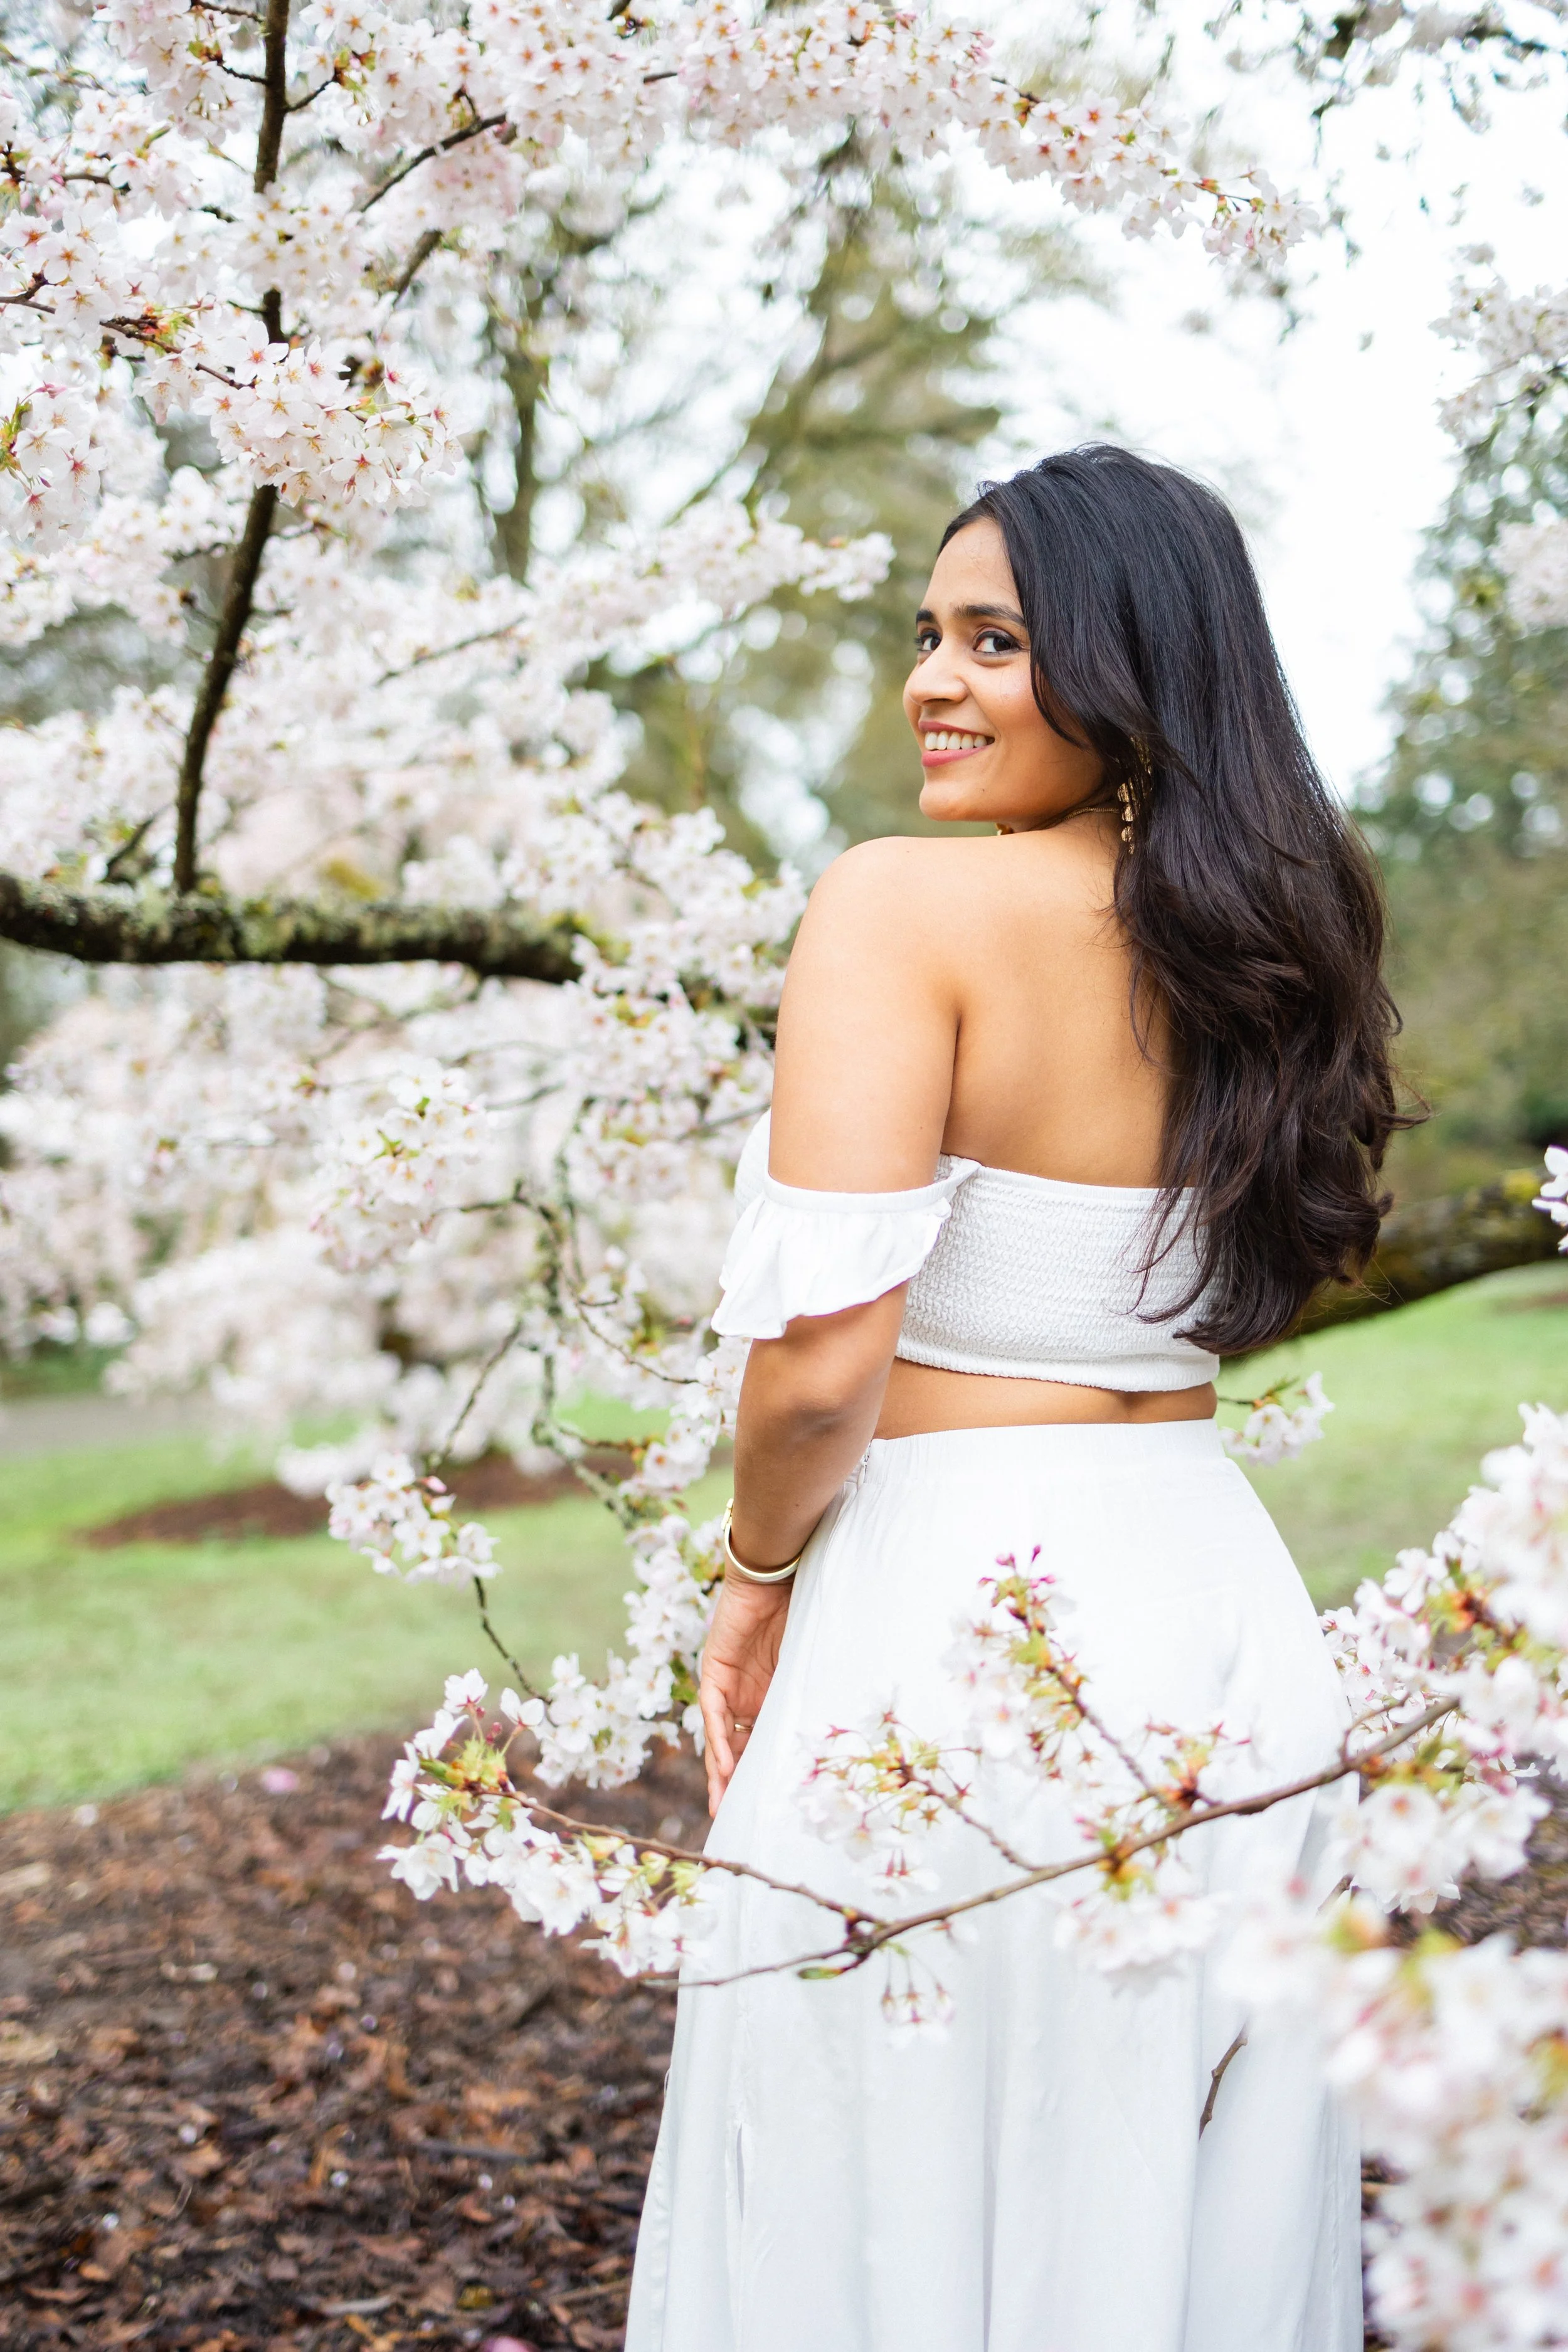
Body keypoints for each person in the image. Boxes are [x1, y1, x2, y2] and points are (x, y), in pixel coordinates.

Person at [625, 445, 1405, 2352]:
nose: (931, 683)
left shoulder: (900, 907)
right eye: (928, 635)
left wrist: (749, 1580)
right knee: (1178, 2190)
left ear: (1133, 667)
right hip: (1221, 1617)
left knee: (881, 2156)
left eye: (994, 640)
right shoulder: (1276, 938)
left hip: (961, 1623)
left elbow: (824, 1367)